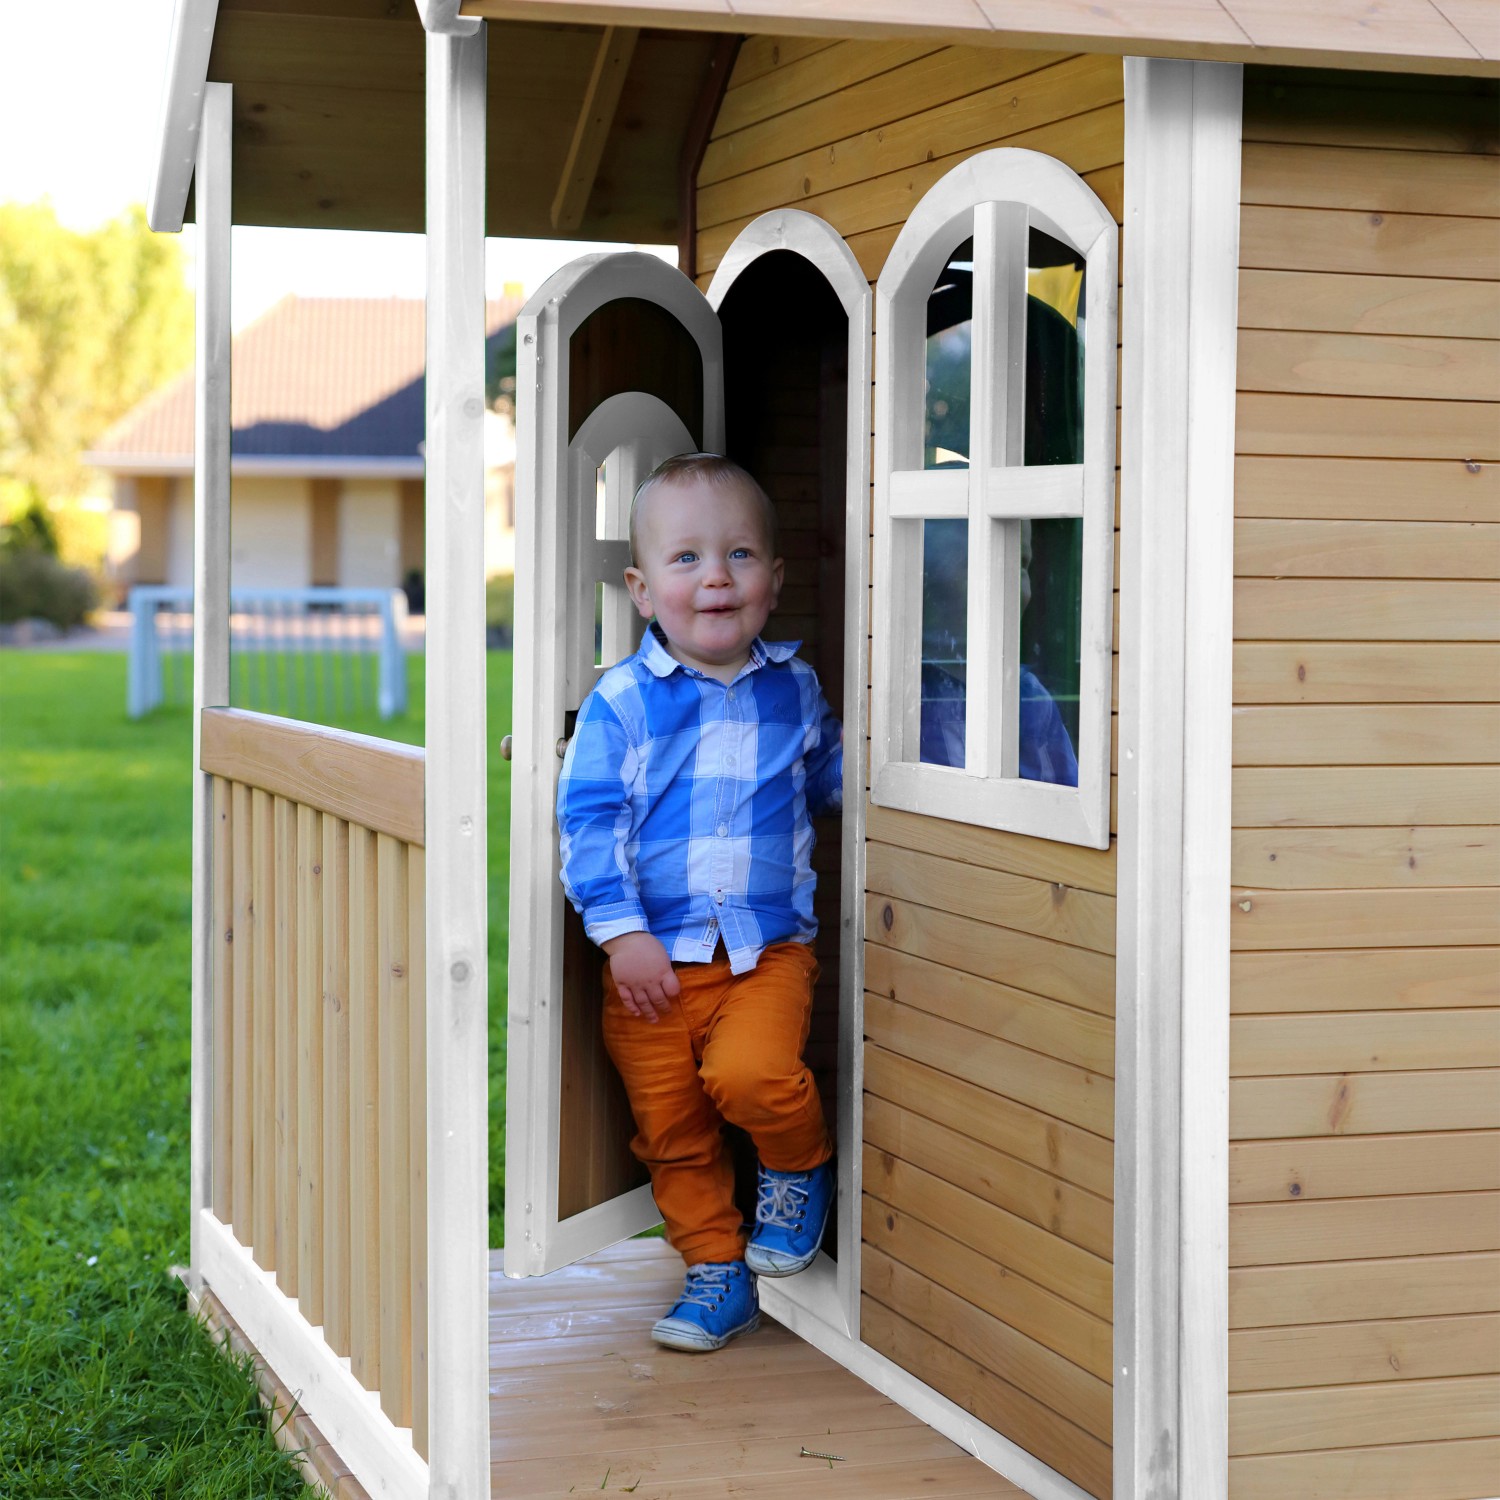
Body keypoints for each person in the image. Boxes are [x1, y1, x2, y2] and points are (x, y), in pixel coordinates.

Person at [556, 453, 842, 1354]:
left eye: (740, 555)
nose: (716, 576)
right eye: (686, 560)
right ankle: (716, 1272)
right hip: (651, 968)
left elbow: (836, 783)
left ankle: (798, 1169)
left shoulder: (794, 690)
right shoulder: (624, 701)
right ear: (642, 590)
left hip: (765, 952)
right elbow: (589, 822)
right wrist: (621, 934)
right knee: (672, 1131)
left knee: (751, 1076)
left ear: (774, 579)